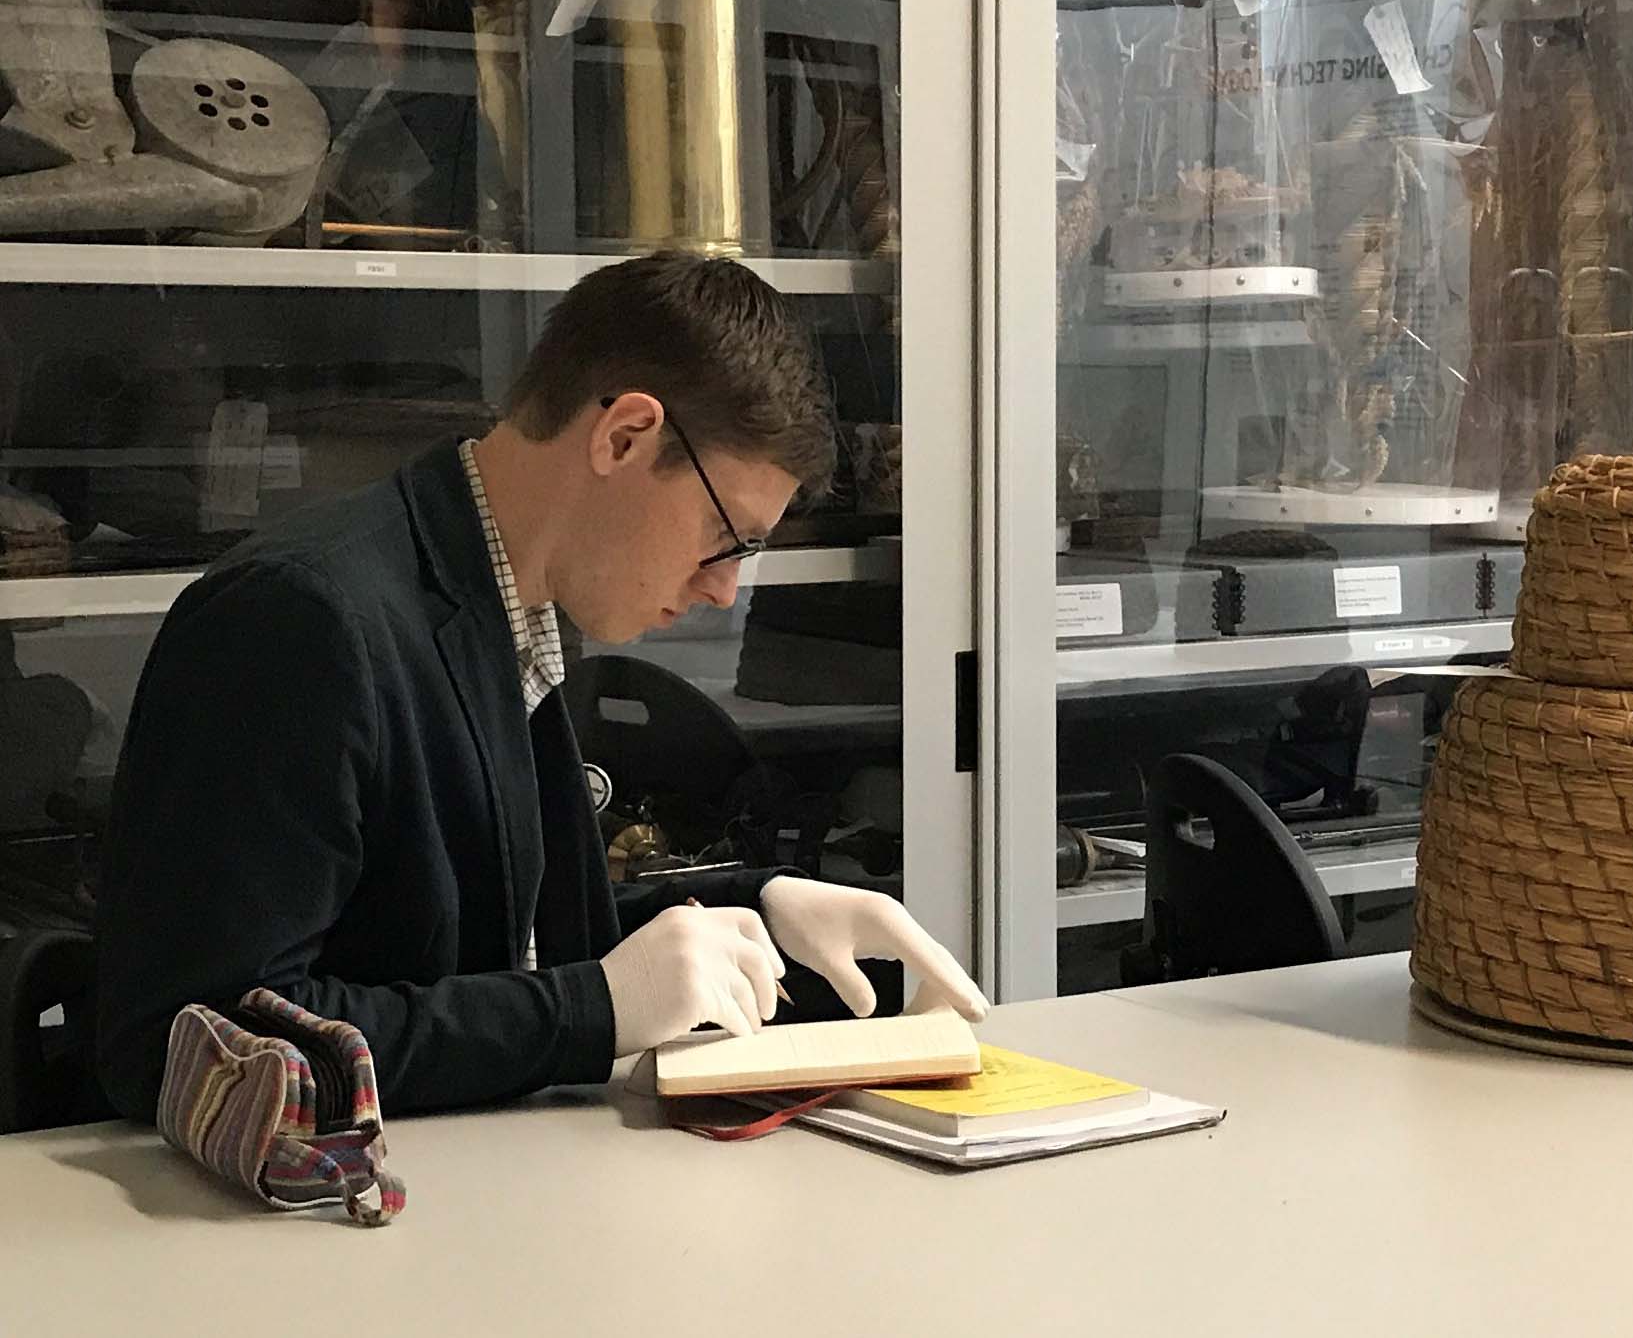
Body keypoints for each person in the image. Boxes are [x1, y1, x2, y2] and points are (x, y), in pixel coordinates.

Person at [93, 253, 983, 1121]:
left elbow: (500, 946)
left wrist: (759, 908)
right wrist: (593, 1011)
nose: (724, 588)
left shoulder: (503, 597)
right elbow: (190, 1043)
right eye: (727, 534)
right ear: (623, 436)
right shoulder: (302, 621)